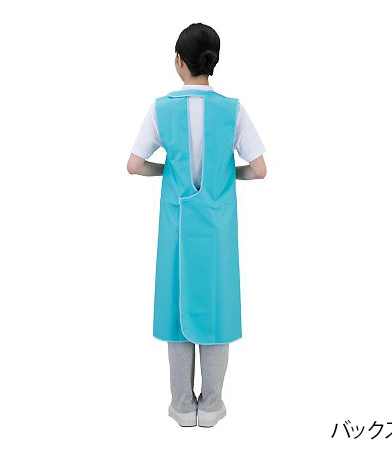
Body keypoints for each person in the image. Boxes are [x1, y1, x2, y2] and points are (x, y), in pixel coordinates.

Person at [127, 23, 267, 427]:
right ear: (213, 61)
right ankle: (212, 406)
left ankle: (182, 407)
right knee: (217, 309)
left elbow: (134, 165)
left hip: (176, 227)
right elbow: (259, 169)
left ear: (179, 60)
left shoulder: (161, 108)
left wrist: (167, 170)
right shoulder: (232, 110)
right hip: (218, 229)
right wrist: (227, 175)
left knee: (176, 310)